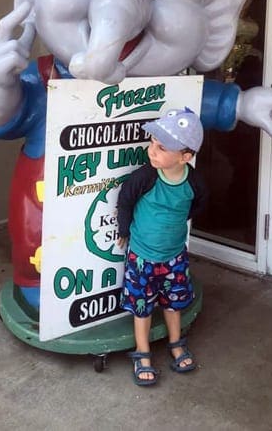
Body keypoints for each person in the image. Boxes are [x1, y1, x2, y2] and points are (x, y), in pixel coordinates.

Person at [115, 108, 207, 386]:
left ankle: (176, 344)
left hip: (175, 257)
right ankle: (142, 354)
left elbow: (198, 205)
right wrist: (123, 229)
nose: (151, 151)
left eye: (161, 147)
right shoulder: (145, 177)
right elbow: (126, 200)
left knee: (174, 303)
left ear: (185, 157)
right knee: (141, 307)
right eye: (152, 143)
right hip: (142, 257)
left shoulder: (193, 183)